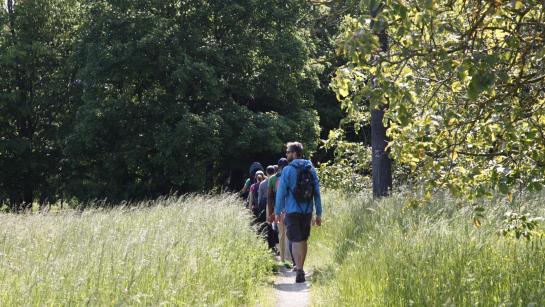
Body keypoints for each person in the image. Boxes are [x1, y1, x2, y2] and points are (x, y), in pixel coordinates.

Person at [275, 142, 322, 283]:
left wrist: (277, 211)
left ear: (295, 153)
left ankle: (299, 269)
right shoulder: (311, 168)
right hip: (307, 211)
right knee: (303, 239)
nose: (287, 154)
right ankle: (301, 267)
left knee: (295, 240)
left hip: (292, 210)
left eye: (288, 152)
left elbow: (281, 192)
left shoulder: (287, 170)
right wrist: (318, 213)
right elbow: (317, 192)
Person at [268, 158, 292, 266]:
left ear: (278, 166)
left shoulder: (272, 179)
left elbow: (270, 197)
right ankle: (289, 258)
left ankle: (282, 259)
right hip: (290, 209)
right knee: (289, 233)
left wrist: (271, 212)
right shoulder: (290, 176)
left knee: (281, 233)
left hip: (279, 210)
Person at [258, 166, 278, 249]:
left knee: (268, 225)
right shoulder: (277, 180)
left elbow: (260, 197)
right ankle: (277, 244)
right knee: (277, 225)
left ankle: (270, 245)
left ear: (266, 173)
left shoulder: (262, 184)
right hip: (276, 204)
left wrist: (260, 208)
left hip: (266, 205)